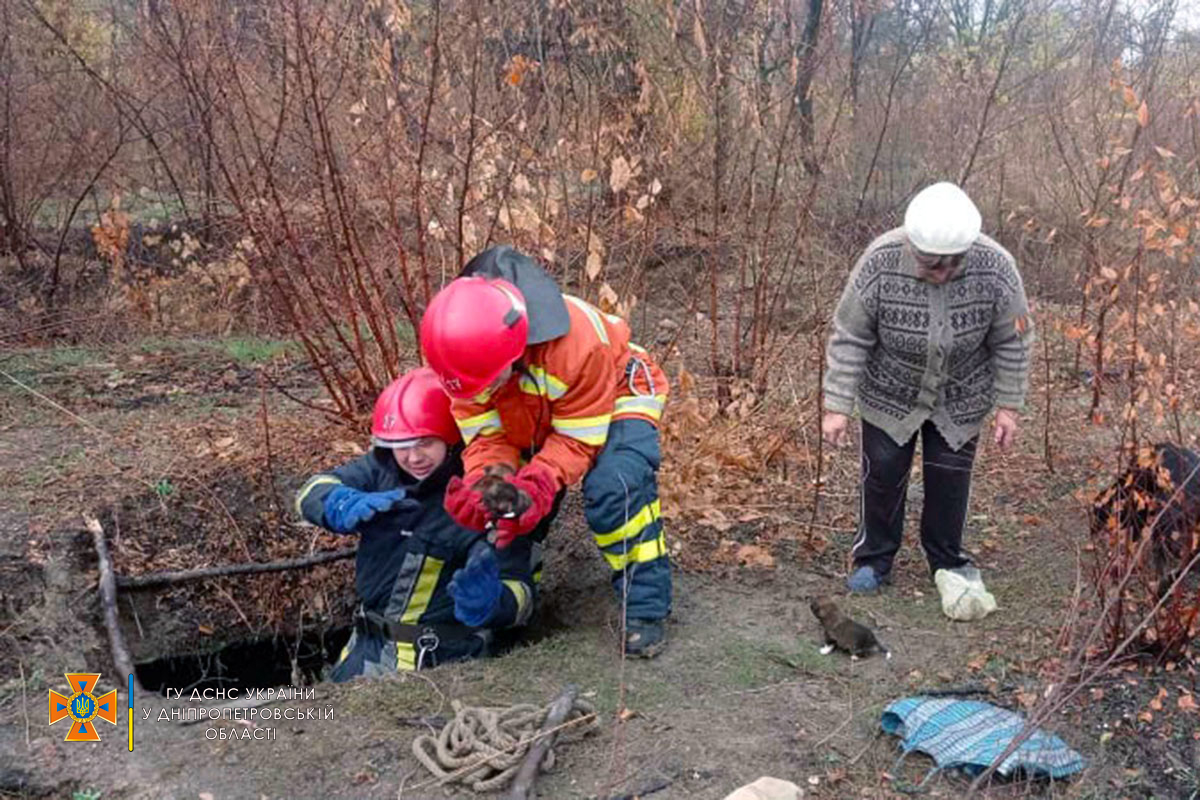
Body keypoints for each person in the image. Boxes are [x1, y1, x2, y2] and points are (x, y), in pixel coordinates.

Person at [419, 245, 672, 657]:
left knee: (616, 485)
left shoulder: (576, 345)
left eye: (487, 382)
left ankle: (645, 608)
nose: (480, 393)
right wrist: (492, 485)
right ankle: (512, 606)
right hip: (534, 408)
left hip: (617, 392)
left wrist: (539, 481)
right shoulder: (462, 362)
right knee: (507, 506)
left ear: (514, 349)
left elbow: (575, 440)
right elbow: (485, 439)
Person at [821, 181, 1034, 597]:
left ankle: (947, 561)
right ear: (912, 247)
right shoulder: (879, 261)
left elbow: (1015, 337)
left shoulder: (997, 268)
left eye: (949, 265)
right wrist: (837, 405)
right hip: (889, 391)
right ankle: (874, 559)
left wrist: (1009, 405)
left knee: (949, 480)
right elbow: (850, 335)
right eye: (929, 263)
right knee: (881, 477)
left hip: (962, 395)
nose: (939, 273)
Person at [294, 367, 534, 679]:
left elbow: (524, 596)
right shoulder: (381, 467)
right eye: (402, 444)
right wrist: (336, 503)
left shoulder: (488, 493)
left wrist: (492, 601)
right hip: (365, 650)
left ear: (452, 439)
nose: (413, 456)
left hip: (445, 661)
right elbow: (310, 491)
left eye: (425, 443)